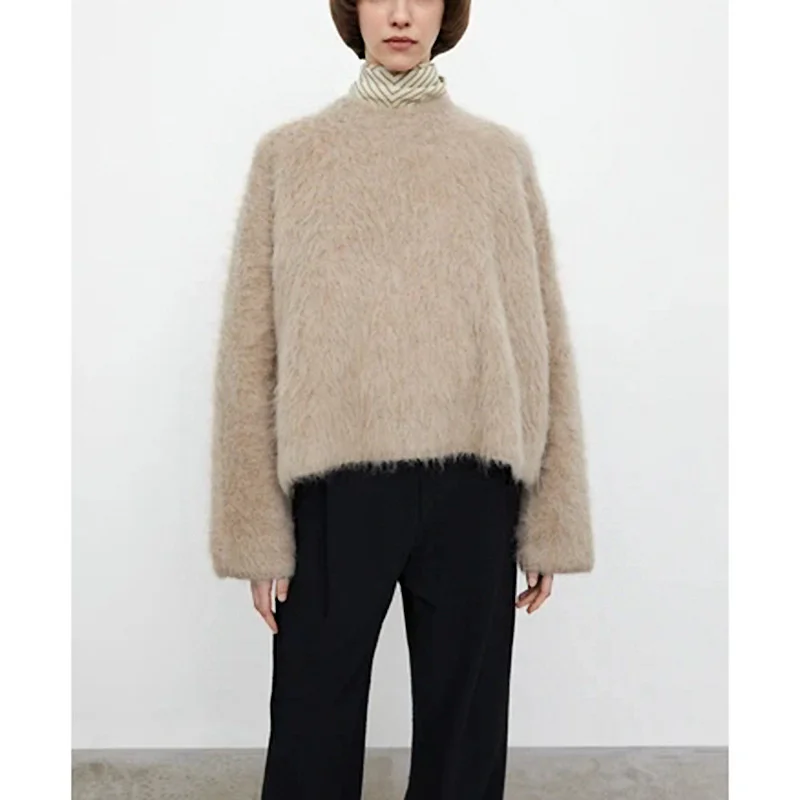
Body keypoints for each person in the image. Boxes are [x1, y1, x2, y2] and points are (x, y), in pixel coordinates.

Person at [208, 1, 595, 797]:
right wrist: (256, 531)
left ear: (447, 12)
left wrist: (550, 519)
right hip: (335, 488)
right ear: (351, 10)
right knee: (312, 719)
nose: (401, 13)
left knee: (465, 735)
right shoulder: (292, 157)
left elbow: (541, 340)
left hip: (475, 486)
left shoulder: (497, 159)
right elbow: (251, 346)